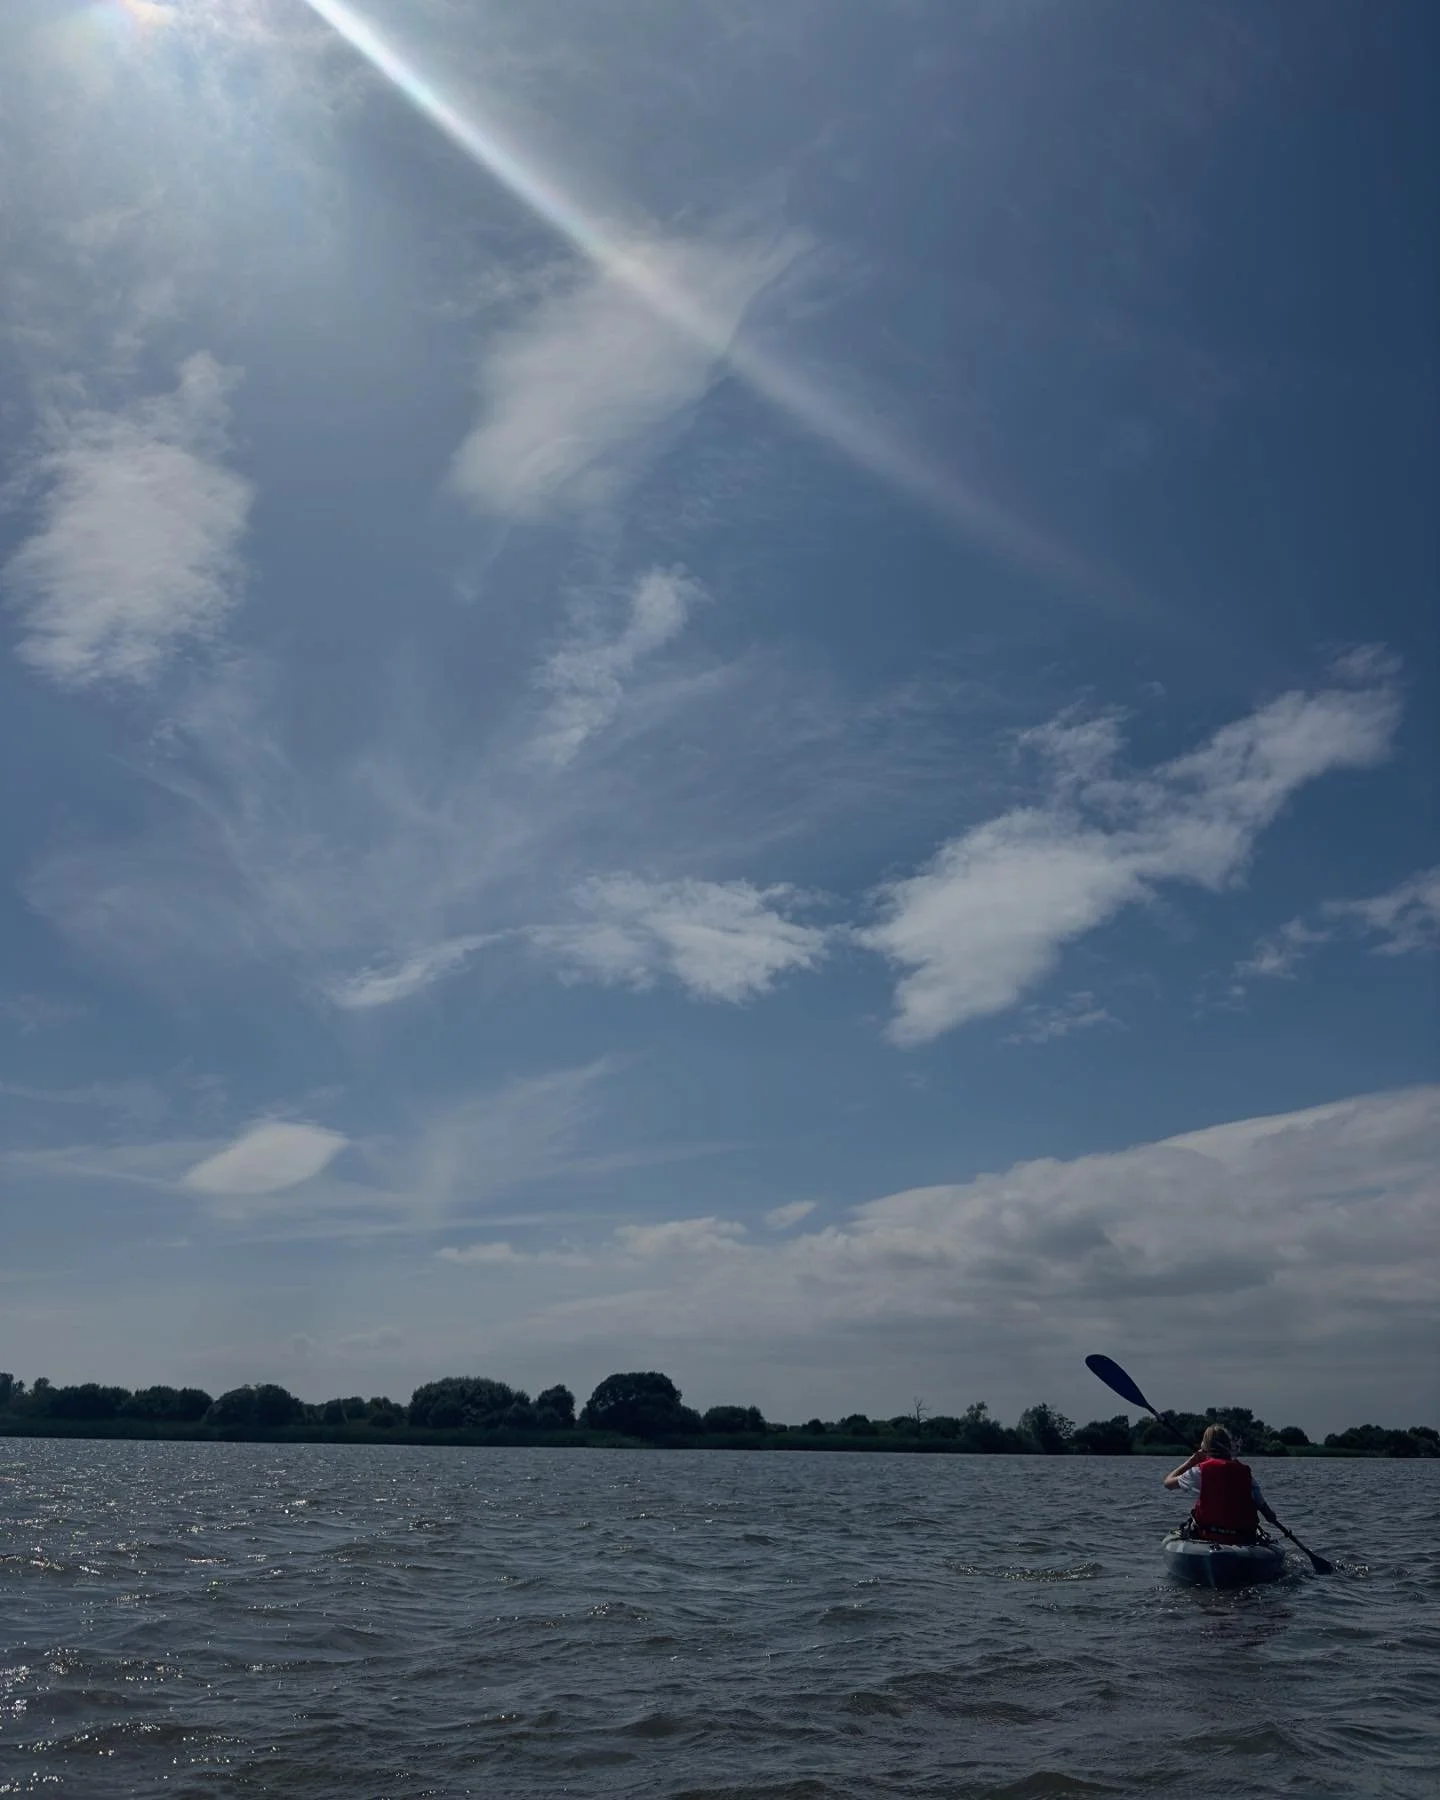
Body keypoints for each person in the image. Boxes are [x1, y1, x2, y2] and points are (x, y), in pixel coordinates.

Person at [1163, 1424, 1277, 1544]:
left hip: (1208, 1534)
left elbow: (1167, 1483)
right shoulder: (1246, 1474)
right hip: (1243, 1536)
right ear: (1229, 1445)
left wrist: (1191, 1462)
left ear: (1205, 1446)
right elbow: (1268, 1514)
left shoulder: (1199, 1471)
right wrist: (1268, 1515)